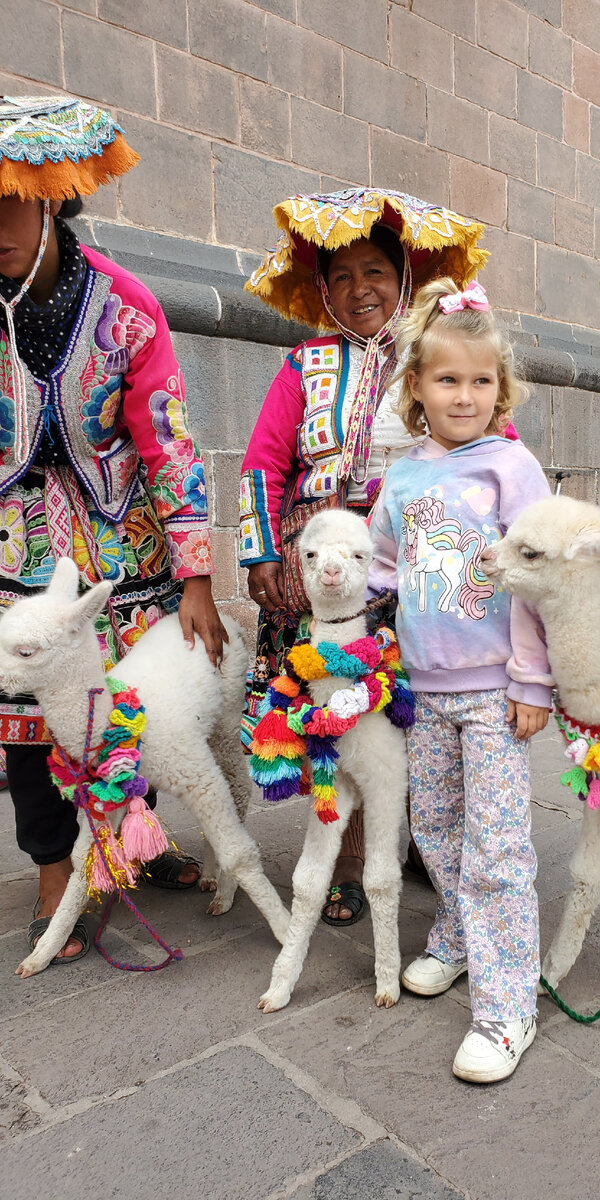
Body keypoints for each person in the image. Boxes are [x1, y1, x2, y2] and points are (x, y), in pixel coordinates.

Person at [0, 95, 227, 962]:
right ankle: (58, 874)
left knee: (129, 705)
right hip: (18, 548)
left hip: (124, 545)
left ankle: (137, 842)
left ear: (51, 192)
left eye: (10, 199)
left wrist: (197, 573)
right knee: (29, 715)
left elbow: (168, 443)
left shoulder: (124, 308)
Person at [239, 188, 488, 925]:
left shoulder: (432, 360)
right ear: (323, 289)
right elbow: (263, 462)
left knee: (413, 708)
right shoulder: (304, 365)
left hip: (414, 566)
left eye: (375, 270)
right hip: (323, 577)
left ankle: (416, 834)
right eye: (342, 277)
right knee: (337, 711)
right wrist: (260, 553)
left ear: (404, 276)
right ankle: (346, 857)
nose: (360, 290)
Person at [367, 277, 552, 1083]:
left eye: (481, 381)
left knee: (499, 844)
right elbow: (381, 565)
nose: (465, 395)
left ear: (500, 388)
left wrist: (534, 682)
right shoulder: (402, 479)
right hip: (424, 692)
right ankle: (458, 934)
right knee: (435, 827)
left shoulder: (511, 466)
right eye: (448, 379)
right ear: (416, 387)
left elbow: (539, 576)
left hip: (493, 692)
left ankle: (509, 1004)